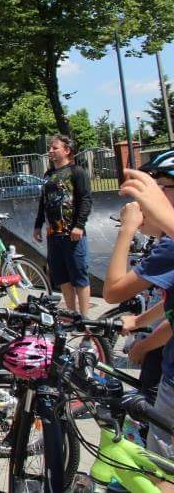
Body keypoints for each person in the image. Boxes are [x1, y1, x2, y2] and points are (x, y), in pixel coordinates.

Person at [102, 155, 174, 469]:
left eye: (157, 188)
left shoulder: (170, 246)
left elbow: (112, 291)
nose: (143, 202)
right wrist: (140, 321)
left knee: (163, 472)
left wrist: (127, 230)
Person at [34, 134, 93, 316]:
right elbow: (43, 202)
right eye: (50, 148)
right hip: (53, 234)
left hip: (72, 233)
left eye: (55, 148)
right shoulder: (48, 175)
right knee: (62, 278)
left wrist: (79, 225)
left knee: (79, 276)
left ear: (67, 150)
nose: (50, 151)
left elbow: (85, 199)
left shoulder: (77, 172)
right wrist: (38, 225)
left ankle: (84, 318)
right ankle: (71, 314)